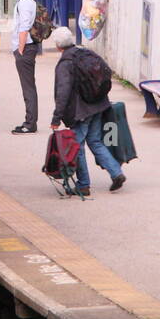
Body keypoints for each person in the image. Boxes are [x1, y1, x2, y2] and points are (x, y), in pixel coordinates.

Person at [49, 27, 125, 196]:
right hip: (98, 105)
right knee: (95, 141)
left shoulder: (65, 63)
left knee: (78, 146)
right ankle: (116, 173)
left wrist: (56, 118)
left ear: (58, 45)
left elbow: (63, 93)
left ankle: (83, 185)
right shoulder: (86, 54)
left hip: (81, 112)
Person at [10, 0, 40, 133]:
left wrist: (20, 49)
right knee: (27, 86)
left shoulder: (25, 2)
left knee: (28, 87)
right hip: (24, 48)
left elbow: (24, 26)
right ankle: (29, 121)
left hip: (25, 48)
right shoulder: (22, 0)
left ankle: (30, 123)